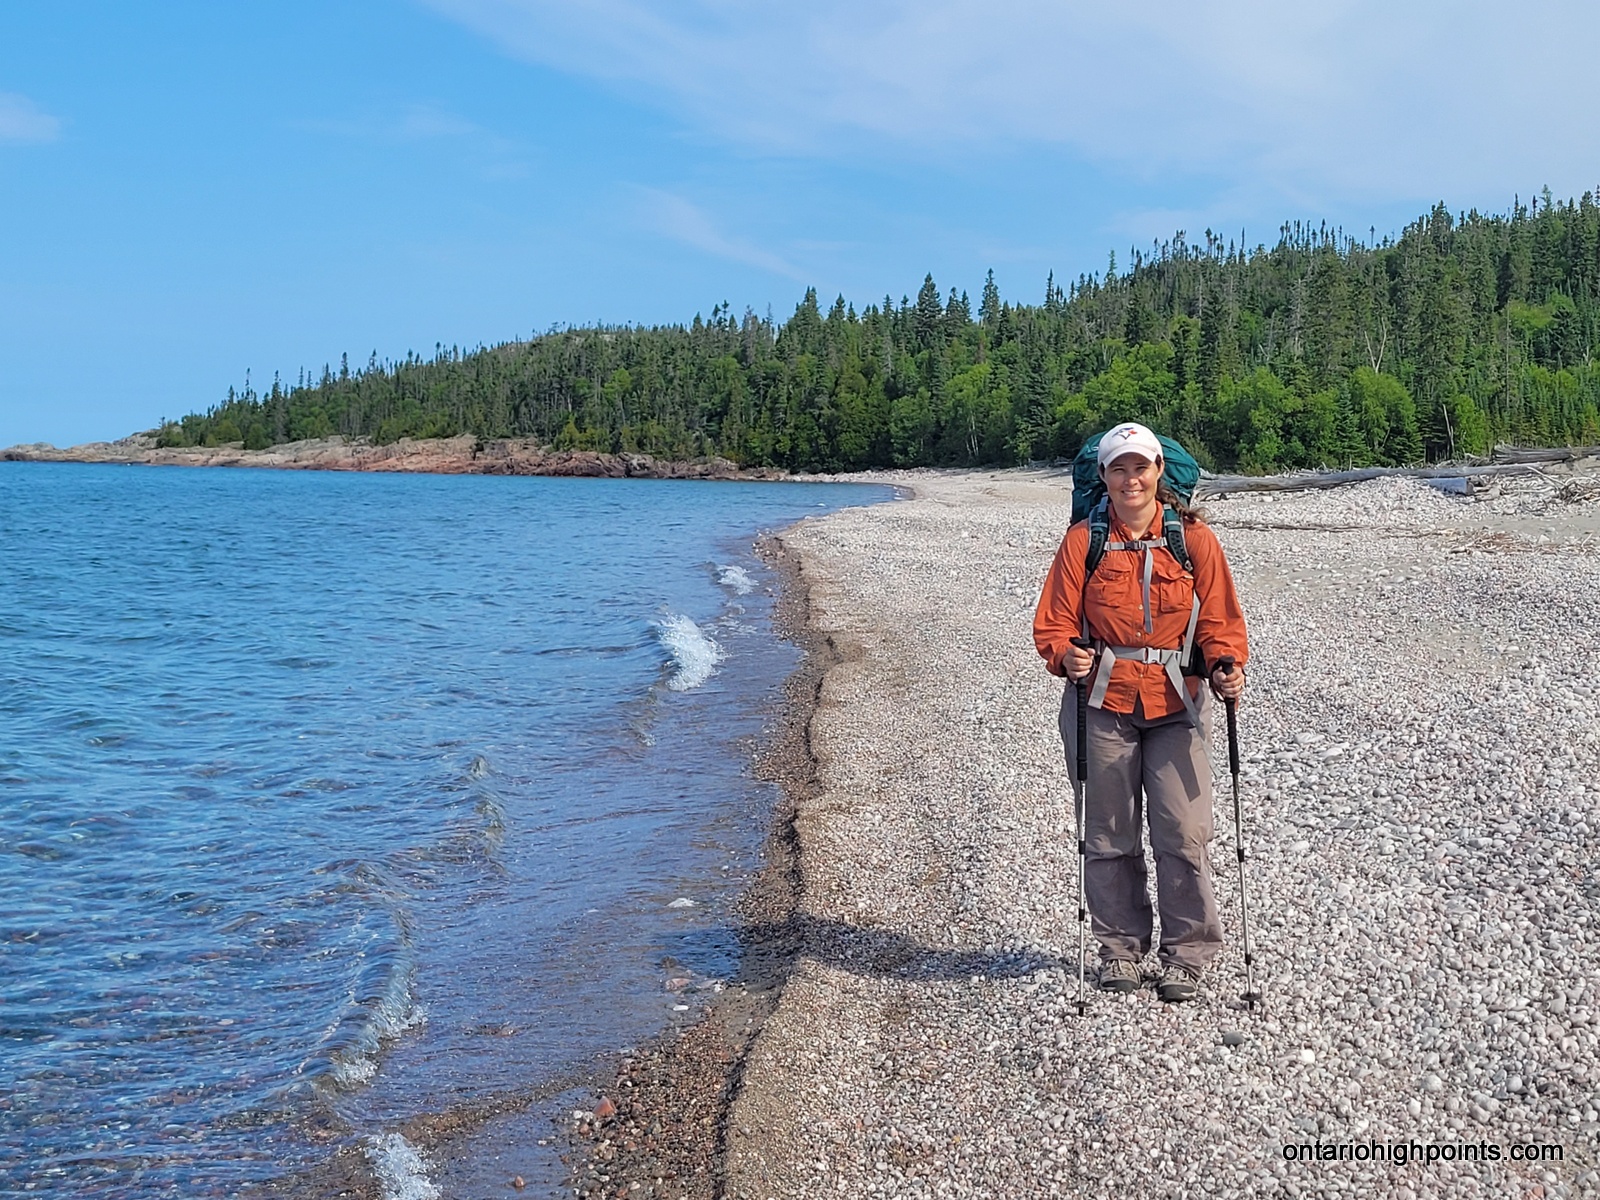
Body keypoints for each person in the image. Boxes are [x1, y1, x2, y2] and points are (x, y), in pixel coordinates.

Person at [1033, 422, 1249, 1003]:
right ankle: (1120, 951)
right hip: (1101, 701)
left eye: (1140, 467)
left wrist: (1226, 665)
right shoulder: (1084, 540)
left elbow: (1221, 620)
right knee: (1109, 834)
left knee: (1184, 831)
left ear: (1158, 471)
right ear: (1104, 477)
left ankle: (1187, 956)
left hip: (1178, 702)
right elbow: (1053, 623)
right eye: (1119, 469)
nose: (1131, 479)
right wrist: (1065, 656)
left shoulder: (1193, 538)